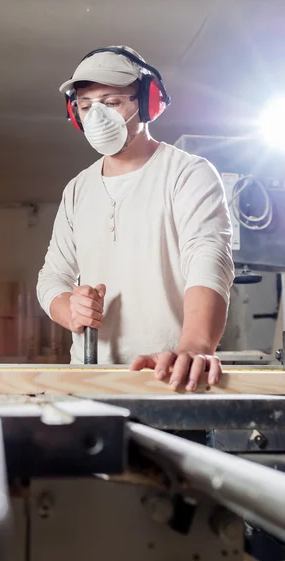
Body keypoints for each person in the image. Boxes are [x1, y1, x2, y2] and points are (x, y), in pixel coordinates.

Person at [36, 45, 234, 391]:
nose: (97, 115)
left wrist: (195, 347)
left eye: (112, 103)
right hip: (90, 381)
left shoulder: (188, 174)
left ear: (148, 102)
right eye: (85, 105)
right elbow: (52, 277)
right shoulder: (78, 189)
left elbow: (208, 259)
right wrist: (70, 308)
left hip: (171, 377)